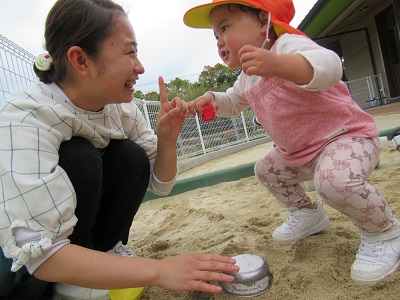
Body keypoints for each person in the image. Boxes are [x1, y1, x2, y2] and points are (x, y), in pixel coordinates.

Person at [0, 0, 239, 299]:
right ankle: (71, 282)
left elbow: (160, 185)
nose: (140, 66)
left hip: (70, 245)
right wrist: (159, 270)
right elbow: (40, 256)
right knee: (79, 155)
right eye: (129, 52)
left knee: (129, 156)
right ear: (81, 60)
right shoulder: (26, 116)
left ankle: (102, 254)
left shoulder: (121, 110)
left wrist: (167, 140)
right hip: (21, 267)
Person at [183, 0, 400, 286]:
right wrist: (213, 99)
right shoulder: (247, 77)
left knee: (333, 181)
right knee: (266, 169)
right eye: (216, 36)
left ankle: (385, 233)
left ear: (263, 21)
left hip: (346, 136)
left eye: (225, 28)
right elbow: (234, 102)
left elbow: (330, 66)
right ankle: (307, 213)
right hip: (300, 153)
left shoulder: (288, 46)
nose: (220, 42)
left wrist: (279, 65)